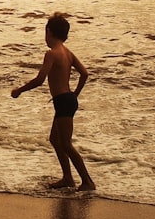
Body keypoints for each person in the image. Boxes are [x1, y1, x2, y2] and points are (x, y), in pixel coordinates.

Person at [11, 13, 96, 191]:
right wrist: (75, 94)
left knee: (66, 144)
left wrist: (20, 90)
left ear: (48, 32)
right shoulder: (67, 52)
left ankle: (87, 181)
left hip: (63, 101)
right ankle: (67, 177)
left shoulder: (52, 54)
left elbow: (40, 79)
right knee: (55, 140)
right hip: (67, 100)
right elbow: (85, 73)